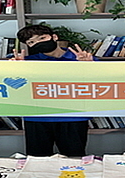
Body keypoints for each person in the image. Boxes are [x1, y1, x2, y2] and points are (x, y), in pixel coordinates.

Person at [14, 25, 95, 157]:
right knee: (37, 160)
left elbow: (102, 82)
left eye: (42, 38)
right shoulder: (25, 62)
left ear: (54, 37)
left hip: (73, 116)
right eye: (31, 42)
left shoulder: (81, 58)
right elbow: (13, 86)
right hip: (37, 117)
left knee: (74, 158)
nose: (38, 43)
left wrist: (90, 66)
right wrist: (14, 69)